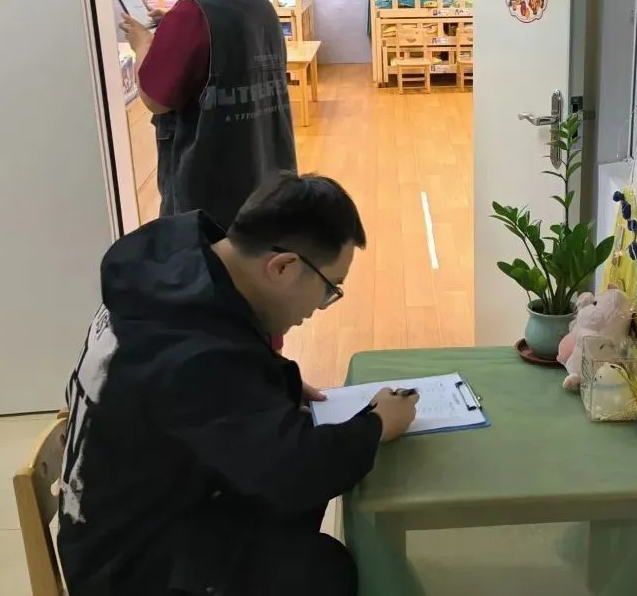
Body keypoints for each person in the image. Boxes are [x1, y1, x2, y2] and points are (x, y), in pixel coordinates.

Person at [56, 173, 419, 596]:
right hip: (127, 571)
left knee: (292, 495)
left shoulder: (170, 260)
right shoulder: (201, 357)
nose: (321, 306)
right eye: (328, 289)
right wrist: (376, 425)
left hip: (117, 520)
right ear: (283, 267)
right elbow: (295, 472)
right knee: (321, 570)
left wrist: (263, 381)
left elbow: (195, 375)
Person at [120, 0, 296, 229]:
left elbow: (156, 99)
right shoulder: (257, 3)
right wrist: (173, 29)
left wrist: (143, 43)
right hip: (264, 181)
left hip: (209, 199)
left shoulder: (194, 12)